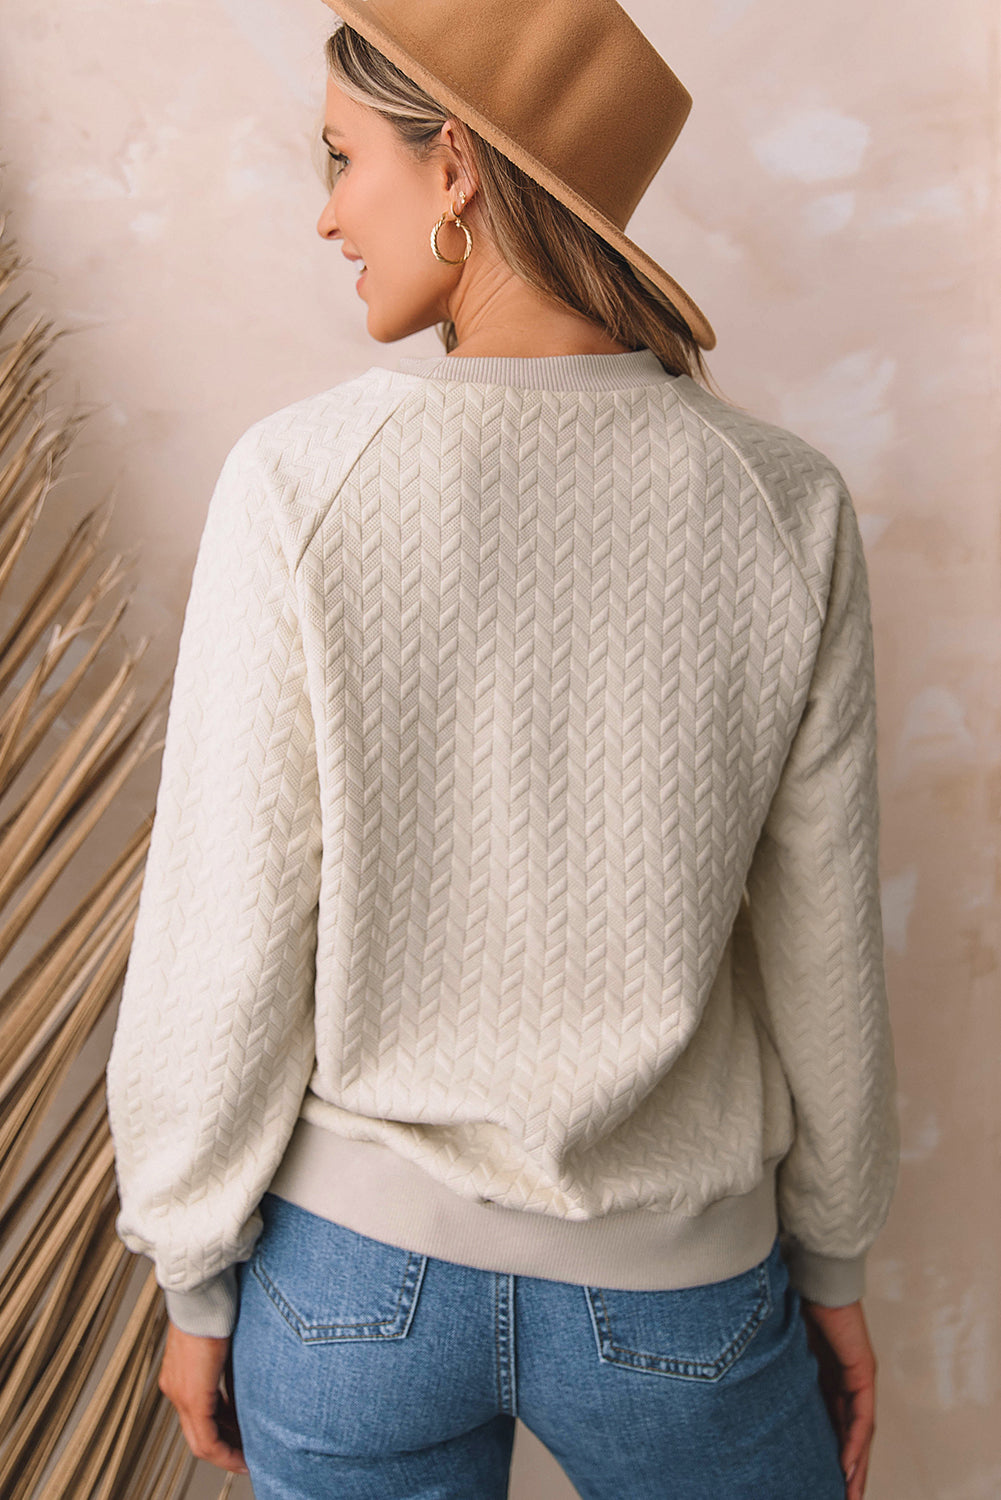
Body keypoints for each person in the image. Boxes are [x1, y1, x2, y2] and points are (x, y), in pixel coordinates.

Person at [105, 2, 899, 1497]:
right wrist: (837, 1260)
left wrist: (192, 1273)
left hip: (350, 1287)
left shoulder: (298, 485)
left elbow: (226, 928)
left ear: (455, 169)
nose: (328, 211)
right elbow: (821, 950)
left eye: (343, 160)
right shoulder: (781, 504)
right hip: (680, 1291)